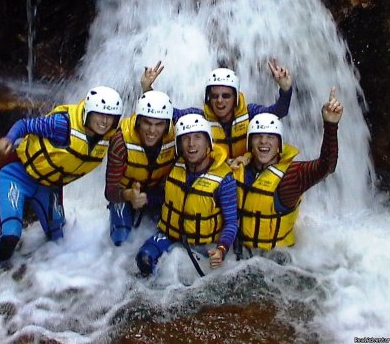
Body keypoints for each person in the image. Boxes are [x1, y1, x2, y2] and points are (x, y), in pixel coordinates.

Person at [0, 86, 123, 271]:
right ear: (87, 113)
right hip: (18, 176)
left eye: (110, 117)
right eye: (99, 114)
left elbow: (142, 128)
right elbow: (24, 125)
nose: (104, 121)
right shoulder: (61, 125)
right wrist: (9, 139)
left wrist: (146, 88)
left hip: (49, 187)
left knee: (58, 237)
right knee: (11, 234)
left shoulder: (112, 137)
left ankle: (45, 277)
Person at [231, 87, 343, 262]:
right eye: (258, 136)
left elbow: (326, 166)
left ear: (279, 145)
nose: (263, 142)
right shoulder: (238, 168)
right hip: (240, 258)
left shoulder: (291, 177)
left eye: (271, 137)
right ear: (250, 143)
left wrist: (330, 125)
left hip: (279, 262)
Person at [135, 114, 238, 277]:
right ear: (179, 145)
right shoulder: (176, 167)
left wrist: (222, 249)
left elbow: (232, 222)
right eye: (186, 139)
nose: (191, 144)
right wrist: (144, 199)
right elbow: (165, 198)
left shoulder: (224, 180)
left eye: (198, 137)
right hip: (171, 235)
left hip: (204, 245)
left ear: (208, 143)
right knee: (144, 259)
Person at [141, 60, 293, 160]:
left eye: (226, 96)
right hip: (217, 177)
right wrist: (147, 89)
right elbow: (164, 112)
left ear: (236, 97)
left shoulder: (250, 112)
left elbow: (279, 111)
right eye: (214, 96)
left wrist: (285, 89)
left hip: (244, 172)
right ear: (209, 97)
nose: (220, 101)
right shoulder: (199, 117)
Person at [105, 90, 175, 246]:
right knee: (120, 240)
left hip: (156, 194)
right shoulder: (120, 141)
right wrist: (129, 195)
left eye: (158, 125)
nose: (152, 131)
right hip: (124, 194)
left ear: (167, 125)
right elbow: (110, 192)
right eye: (147, 123)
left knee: (171, 232)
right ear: (138, 122)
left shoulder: (177, 137)